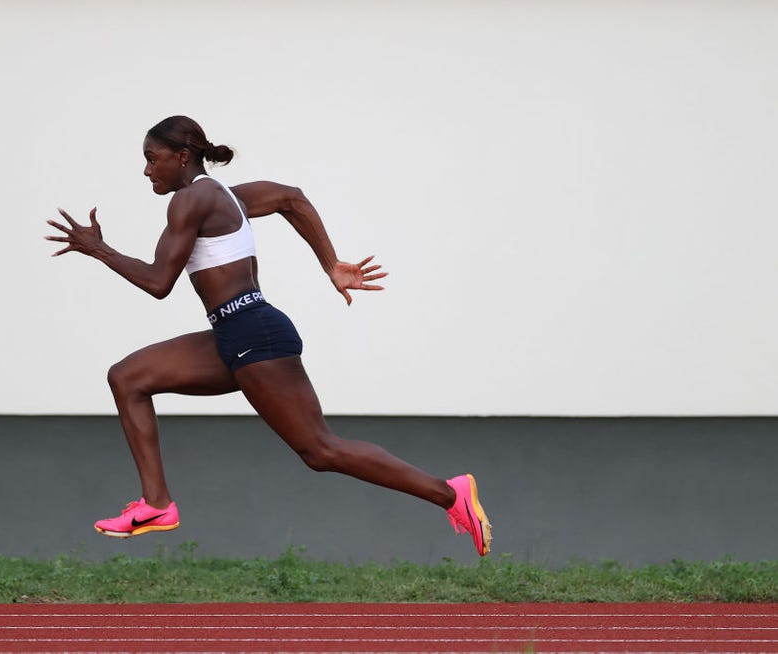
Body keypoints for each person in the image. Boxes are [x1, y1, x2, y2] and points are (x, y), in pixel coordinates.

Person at [45, 116, 492, 556]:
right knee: (127, 378)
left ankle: (450, 494)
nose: (146, 170)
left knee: (320, 450)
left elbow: (160, 282)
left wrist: (99, 249)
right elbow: (291, 199)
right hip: (236, 330)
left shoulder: (188, 202)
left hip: (253, 334)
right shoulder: (223, 196)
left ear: (182, 157)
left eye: (152, 159)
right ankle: (157, 504)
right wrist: (331, 264)